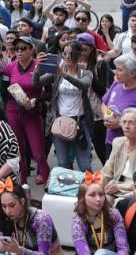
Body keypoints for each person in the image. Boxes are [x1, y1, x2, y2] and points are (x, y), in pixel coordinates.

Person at [38, 40, 94, 170]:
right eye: (65, 53)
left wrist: (64, 75)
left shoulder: (86, 73)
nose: (67, 57)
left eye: (71, 53)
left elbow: (84, 85)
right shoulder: (57, 72)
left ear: (79, 55)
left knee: (84, 163)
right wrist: (37, 69)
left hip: (80, 122)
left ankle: (90, 189)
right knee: (63, 163)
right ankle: (69, 190)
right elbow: (37, 83)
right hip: (60, 121)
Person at [4, 36, 47, 185]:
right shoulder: (10, 66)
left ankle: (48, 186)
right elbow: (4, 87)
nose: (20, 52)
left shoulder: (39, 66)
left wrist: (37, 100)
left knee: (38, 153)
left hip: (32, 113)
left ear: (31, 49)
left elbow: (49, 92)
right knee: (18, 151)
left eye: (23, 48)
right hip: (13, 111)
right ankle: (22, 185)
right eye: (17, 49)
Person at [101, 55, 136, 154]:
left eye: (120, 70)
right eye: (116, 69)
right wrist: (107, 116)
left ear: (132, 73)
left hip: (133, 146)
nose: (116, 73)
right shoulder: (117, 84)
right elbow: (104, 104)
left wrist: (121, 123)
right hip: (112, 142)